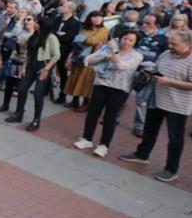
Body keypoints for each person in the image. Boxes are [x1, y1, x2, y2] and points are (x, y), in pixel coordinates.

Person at [119, 29, 192, 183]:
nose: (170, 45)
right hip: (156, 99)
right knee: (150, 129)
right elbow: (157, 69)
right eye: (170, 42)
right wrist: (150, 72)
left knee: (175, 138)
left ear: (187, 44)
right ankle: (142, 154)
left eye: (174, 43)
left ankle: (171, 170)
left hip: (178, 105)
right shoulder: (166, 54)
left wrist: (169, 82)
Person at [73, 30, 142, 157]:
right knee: (93, 113)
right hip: (101, 84)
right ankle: (87, 138)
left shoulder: (136, 56)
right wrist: (104, 57)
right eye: (125, 38)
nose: (126, 42)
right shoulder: (107, 48)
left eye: (131, 40)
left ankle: (104, 145)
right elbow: (88, 60)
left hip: (119, 89)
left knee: (110, 118)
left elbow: (121, 66)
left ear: (135, 42)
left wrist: (114, 51)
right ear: (120, 38)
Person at [6, 16, 62, 131]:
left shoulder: (51, 37)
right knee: (21, 88)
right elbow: (29, 53)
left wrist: (46, 69)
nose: (34, 24)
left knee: (38, 94)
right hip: (32, 65)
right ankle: (19, 113)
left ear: (42, 24)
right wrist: (24, 67)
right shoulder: (34, 36)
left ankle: (36, 120)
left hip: (43, 66)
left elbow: (56, 55)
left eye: (36, 22)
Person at [63, 12, 109, 112]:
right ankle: (75, 100)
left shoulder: (104, 30)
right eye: (95, 17)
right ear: (89, 18)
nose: (97, 19)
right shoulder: (85, 29)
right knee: (76, 78)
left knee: (87, 80)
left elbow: (92, 41)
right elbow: (76, 41)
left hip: (92, 59)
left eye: (100, 17)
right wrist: (81, 40)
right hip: (79, 56)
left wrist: (81, 39)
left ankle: (86, 103)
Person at [131, 14, 169, 136]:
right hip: (131, 69)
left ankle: (139, 126)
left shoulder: (163, 39)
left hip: (149, 73)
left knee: (141, 101)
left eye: (148, 23)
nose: (144, 25)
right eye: (144, 22)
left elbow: (165, 58)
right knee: (122, 95)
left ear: (157, 25)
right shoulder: (138, 34)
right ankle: (114, 118)